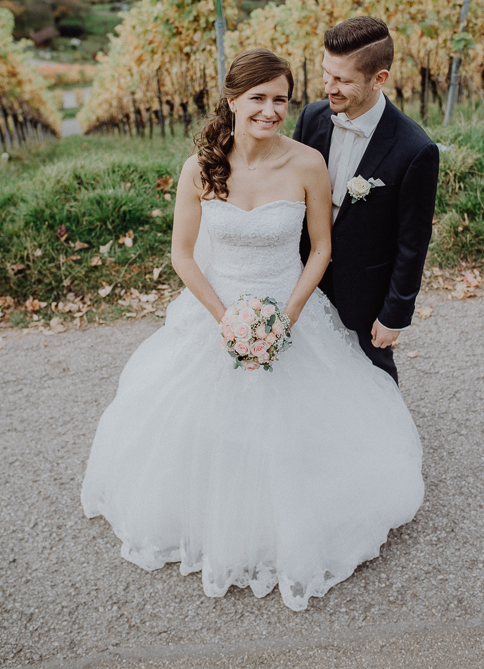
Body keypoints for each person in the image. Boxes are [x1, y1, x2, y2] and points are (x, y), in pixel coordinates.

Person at [81, 48, 424, 611]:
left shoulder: (307, 163)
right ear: (232, 100)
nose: (270, 110)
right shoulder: (200, 167)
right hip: (216, 310)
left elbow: (321, 249)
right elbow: (183, 256)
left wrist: (285, 318)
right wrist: (227, 320)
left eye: (280, 99)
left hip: (289, 308)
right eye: (258, 98)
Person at [294, 17, 440, 383]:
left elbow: (412, 243)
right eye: (326, 73)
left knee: (374, 378)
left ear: (379, 79)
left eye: (343, 80)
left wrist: (394, 314)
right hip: (304, 278)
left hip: (365, 292)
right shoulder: (311, 118)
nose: (329, 86)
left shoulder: (415, 149)